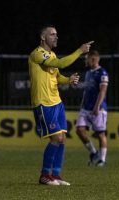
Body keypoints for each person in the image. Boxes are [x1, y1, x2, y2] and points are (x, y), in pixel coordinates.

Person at [29, 24, 93, 186]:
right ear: (43, 38)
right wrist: (79, 51)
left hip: (56, 102)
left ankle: (55, 175)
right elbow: (61, 64)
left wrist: (68, 80)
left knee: (62, 138)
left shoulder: (52, 55)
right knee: (56, 138)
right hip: (44, 103)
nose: (56, 37)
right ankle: (44, 176)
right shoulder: (37, 54)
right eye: (52, 34)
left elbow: (57, 77)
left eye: (56, 34)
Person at [76, 50, 108, 167]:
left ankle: (102, 160)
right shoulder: (89, 73)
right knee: (79, 130)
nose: (85, 60)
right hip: (85, 108)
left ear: (93, 59)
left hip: (98, 108)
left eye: (86, 58)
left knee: (100, 134)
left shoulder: (102, 73)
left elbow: (103, 91)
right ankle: (94, 152)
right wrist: (82, 103)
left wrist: (97, 105)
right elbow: (87, 90)